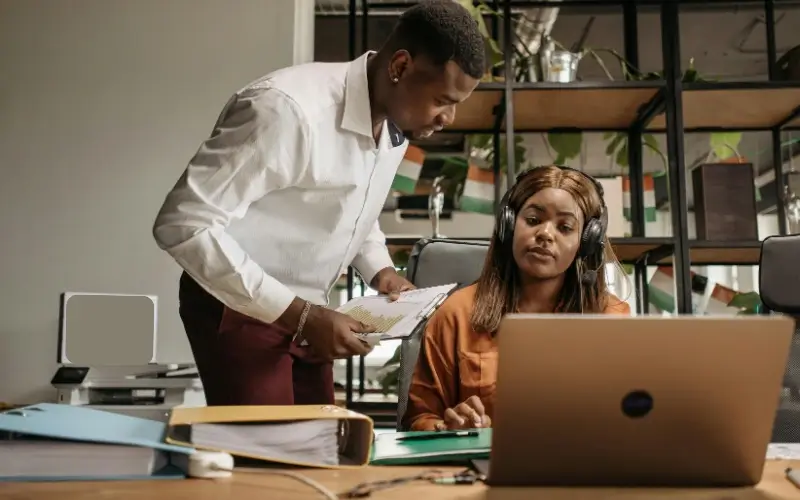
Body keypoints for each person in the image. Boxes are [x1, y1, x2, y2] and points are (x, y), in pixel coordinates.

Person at [151, 0, 485, 407]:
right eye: (442, 100)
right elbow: (183, 223)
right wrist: (301, 315)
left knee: (320, 447)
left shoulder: (396, 124)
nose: (448, 118)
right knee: (268, 458)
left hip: (309, 311)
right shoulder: (285, 111)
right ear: (399, 67)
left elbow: (353, 205)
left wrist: (380, 270)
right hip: (237, 305)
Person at [403, 165, 631, 431]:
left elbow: (629, 419)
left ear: (586, 242)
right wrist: (449, 428)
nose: (546, 234)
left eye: (565, 227)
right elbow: (419, 419)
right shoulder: (457, 313)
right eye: (533, 220)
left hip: (578, 468)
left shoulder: (611, 317)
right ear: (509, 225)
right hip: (481, 468)